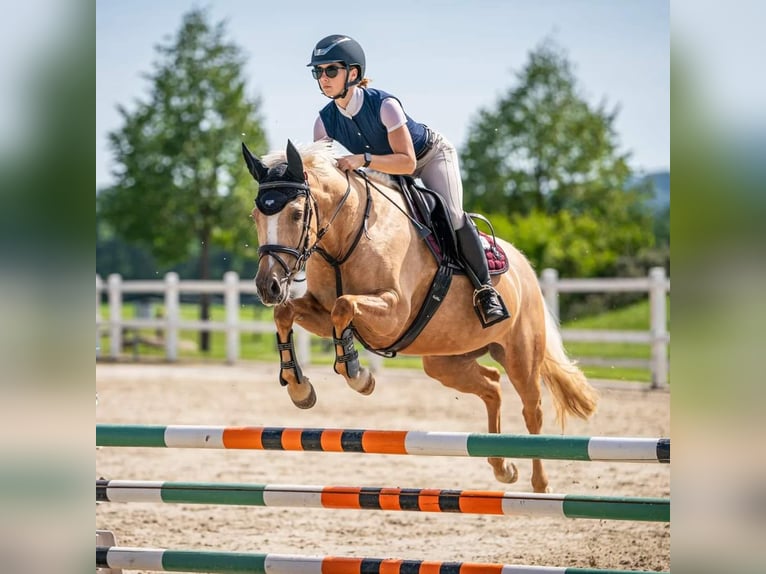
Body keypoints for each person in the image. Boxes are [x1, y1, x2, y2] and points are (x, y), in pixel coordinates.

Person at [307, 34, 509, 328]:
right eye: (318, 72)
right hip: (383, 168)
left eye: (330, 70)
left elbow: (407, 161)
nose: (323, 78)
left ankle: (485, 290)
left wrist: (361, 159)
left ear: (353, 73)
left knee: (451, 216)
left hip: (428, 157)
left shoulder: (385, 105)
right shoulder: (323, 121)